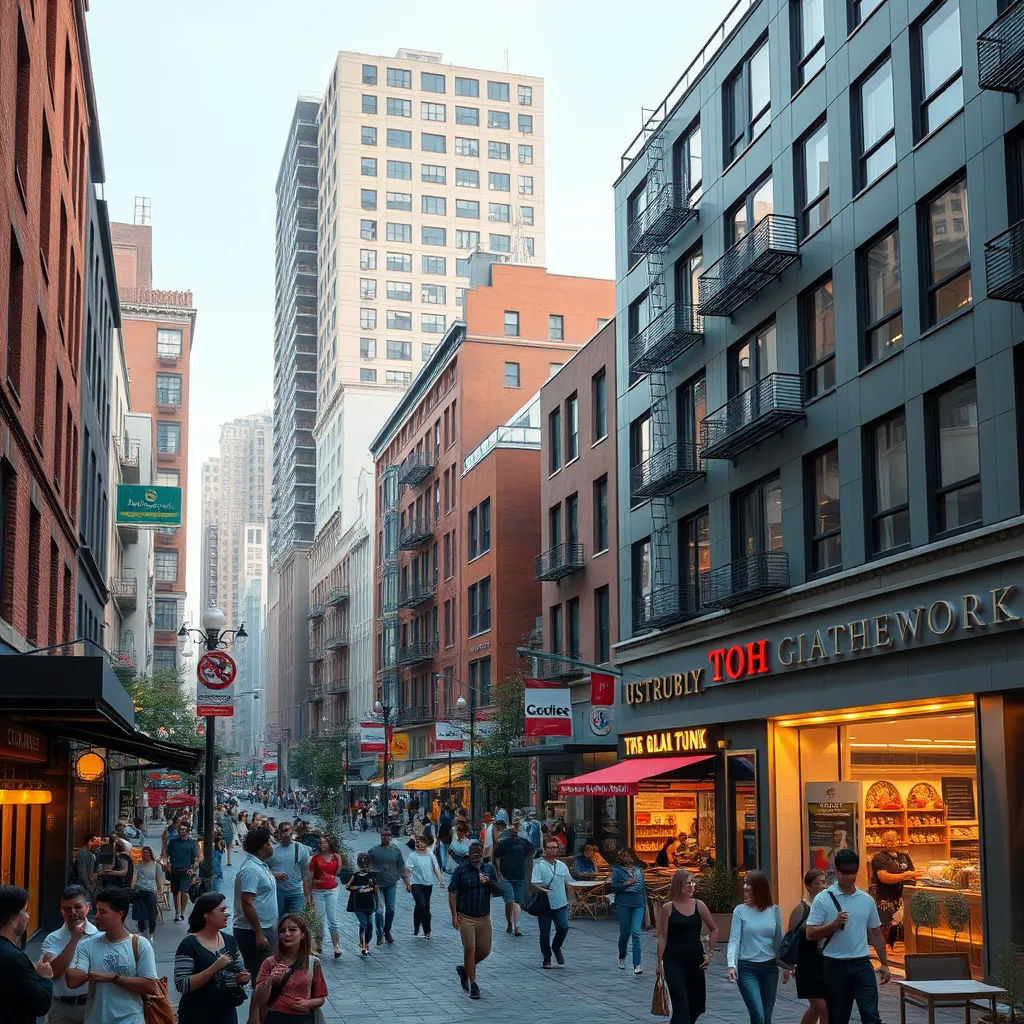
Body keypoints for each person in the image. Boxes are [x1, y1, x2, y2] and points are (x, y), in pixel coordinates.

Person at [805, 848, 890, 1024]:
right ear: (835, 870)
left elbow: (875, 932)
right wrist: (833, 924)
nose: (850, 877)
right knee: (838, 1017)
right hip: (834, 966)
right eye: (845, 873)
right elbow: (811, 933)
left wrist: (885, 963)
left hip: (862, 964)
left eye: (853, 872)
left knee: (870, 1015)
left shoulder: (866, 899)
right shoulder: (823, 899)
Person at [66, 888, 158, 1024]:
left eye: (103, 912)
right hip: (96, 1019)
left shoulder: (140, 944)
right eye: (96, 911)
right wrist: (89, 974)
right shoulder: (87, 945)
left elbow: (150, 985)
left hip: (131, 1019)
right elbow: (73, 982)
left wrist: (113, 978)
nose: (96, 916)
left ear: (119, 914)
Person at [174, 892, 250, 1023]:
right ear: (206, 914)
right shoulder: (190, 945)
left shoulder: (230, 941)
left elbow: (239, 969)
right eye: (222, 910)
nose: (227, 914)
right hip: (196, 1015)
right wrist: (213, 968)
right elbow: (182, 985)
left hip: (226, 1014)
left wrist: (242, 977)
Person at [656, 869, 717, 1024]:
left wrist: (710, 953)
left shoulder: (699, 905)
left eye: (692, 882)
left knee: (696, 1006)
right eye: (687, 883)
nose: (691, 886)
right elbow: (662, 936)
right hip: (673, 961)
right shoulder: (668, 908)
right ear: (678, 885)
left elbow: (714, 928)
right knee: (681, 1003)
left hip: (696, 961)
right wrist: (659, 962)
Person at [727, 870, 784, 1024]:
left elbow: (779, 940)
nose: (745, 887)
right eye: (744, 884)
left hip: (770, 968)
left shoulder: (774, 910)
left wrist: (787, 966)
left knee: (766, 1018)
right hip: (747, 968)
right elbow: (734, 940)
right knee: (758, 1015)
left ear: (759, 888)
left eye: (748, 884)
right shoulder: (740, 911)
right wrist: (732, 965)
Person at [448, 841, 499, 1000]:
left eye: (479, 855)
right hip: (466, 916)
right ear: (469, 856)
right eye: (473, 856)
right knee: (469, 949)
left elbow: (498, 890)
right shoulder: (461, 870)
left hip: (484, 915)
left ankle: (465, 969)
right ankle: (473, 984)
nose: (476, 859)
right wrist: (454, 915)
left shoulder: (488, 868)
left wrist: (490, 882)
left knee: (485, 950)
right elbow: (452, 893)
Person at [254, 915, 328, 1024]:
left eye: (292, 930)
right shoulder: (269, 963)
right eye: (282, 931)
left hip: (303, 1018)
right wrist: (271, 980)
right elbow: (260, 999)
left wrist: (306, 1003)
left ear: (302, 934)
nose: (287, 934)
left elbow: (321, 998)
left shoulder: (313, 962)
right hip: (276, 1017)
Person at [41, 885, 97, 1024]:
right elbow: (53, 971)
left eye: (78, 907)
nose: (73, 912)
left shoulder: (99, 935)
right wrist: (75, 939)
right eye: (67, 909)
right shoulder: (53, 939)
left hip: (92, 1006)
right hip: (62, 1009)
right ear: (62, 911)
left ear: (87, 908)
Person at [0, 884, 53, 1023]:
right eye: (25, 910)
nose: (28, 916)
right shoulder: (14, 958)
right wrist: (44, 977)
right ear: (15, 917)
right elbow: (40, 1005)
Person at [234, 825, 279, 983]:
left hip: (267, 926)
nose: (272, 845)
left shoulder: (261, 865)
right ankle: (260, 1006)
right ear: (262, 847)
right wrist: (259, 933)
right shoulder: (251, 869)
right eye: (270, 842)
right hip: (252, 931)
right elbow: (247, 902)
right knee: (261, 978)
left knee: (267, 974)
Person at [789, 868, 829, 1024]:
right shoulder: (802, 908)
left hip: (825, 960)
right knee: (819, 1005)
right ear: (809, 886)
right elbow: (791, 937)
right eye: (817, 883)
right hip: (807, 962)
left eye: (824, 882)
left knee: (828, 1005)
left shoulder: (827, 906)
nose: (822, 886)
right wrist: (791, 964)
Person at [531, 836, 575, 969]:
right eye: (550, 847)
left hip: (560, 903)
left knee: (563, 927)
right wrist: (544, 890)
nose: (552, 850)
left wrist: (572, 899)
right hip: (544, 903)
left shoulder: (562, 866)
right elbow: (534, 883)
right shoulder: (539, 866)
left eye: (554, 847)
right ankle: (546, 957)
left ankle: (556, 947)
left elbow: (569, 883)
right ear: (545, 849)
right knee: (545, 932)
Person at [870, 830, 919, 946]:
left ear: (898, 840)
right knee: (888, 932)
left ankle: (902, 956)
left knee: (904, 932)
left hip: (904, 899)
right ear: (882, 841)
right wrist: (905, 875)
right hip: (887, 900)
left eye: (893, 840)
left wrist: (913, 876)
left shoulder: (904, 856)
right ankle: (886, 957)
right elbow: (884, 877)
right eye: (888, 840)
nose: (891, 843)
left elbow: (913, 873)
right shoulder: (879, 858)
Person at [367, 828, 410, 945]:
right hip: (377, 885)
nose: (384, 838)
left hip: (391, 884)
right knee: (379, 911)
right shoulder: (373, 851)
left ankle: (387, 931)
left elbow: (401, 866)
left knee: (390, 909)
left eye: (387, 836)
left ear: (390, 838)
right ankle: (380, 934)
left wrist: (406, 883)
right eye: (382, 836)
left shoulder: (395, 850)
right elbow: (367, 864)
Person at [493, 816, 534, 937]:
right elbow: (497, 857)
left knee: (517, 902)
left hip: (520, 876)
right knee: (509, 901)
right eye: (514, 827)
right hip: (506, 876)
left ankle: (516, 926)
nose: (516, 829)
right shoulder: (504, 843)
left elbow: (531, 851)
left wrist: (528, 869)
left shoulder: (524, 843)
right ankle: (509, 922)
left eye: (518, 826)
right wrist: (498, 872)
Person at [610, 847, 648, 975]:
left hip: (638, 903)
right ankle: (622, 955)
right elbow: (614, 886)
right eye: (624, 856)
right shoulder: (617, 871)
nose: (628, 859)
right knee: (625, 933)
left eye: (629, 856)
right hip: (623, 903)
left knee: (636, 933)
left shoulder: (639, 870)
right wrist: (627, 883)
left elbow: (643, 889)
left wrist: (645, 904)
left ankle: (637, 964)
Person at [309, 835, 344, 959]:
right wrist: (310, 889)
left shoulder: (336, 857)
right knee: (319, 919)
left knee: (332, 918)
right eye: (321, 843)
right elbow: (310, 876)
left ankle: (337, 946)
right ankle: (318, 945)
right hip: (318, 891)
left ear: (330, 843)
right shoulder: (314, 858)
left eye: (324, 842)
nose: (322, 845)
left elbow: (337, 872)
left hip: (332, 890)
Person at [270, 821, 312, 917]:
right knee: (278, 918)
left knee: (297, 920)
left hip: (296, 891)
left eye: (288, 830)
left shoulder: (300, 848)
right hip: (278, 891)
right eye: (283, 831)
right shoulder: (273, 850)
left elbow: (306, 873)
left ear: (292, 831)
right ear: (279, 833)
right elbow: (263, 869)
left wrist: (307, 895)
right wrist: (273, 875)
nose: (286, 833)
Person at [407, 834, 445, 938]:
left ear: (426, 843)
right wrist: (407, 884)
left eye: (421, 841)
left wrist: (440, 881)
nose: (419, 843)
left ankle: (427, 931)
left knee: (426, 907)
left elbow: (435, 868)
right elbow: (408, 871)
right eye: (417, 841)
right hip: (416, 883)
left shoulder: (430, 855)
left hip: (428, 884)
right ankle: (416, 924)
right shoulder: (412, 856)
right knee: (421, 904)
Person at [166, 820, 201, 922]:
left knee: (184, 891)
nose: (181, 831)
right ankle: (177, 913)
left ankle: (182, 911)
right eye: (180, 829)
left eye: (183, 829)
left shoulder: (192, 843)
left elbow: (197, 858)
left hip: (186, 871)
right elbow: (166, 854)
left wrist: (193, 868)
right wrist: (167, 864)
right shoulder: (173, 842)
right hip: (174, 870)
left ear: (188, 830)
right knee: (176, 892)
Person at [346, 853, 379, 957]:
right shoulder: (356, 875)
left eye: (365, 864)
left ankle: (367, 942)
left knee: (370, 925)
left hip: (369, 904)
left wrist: (378, 903)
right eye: (361, 863)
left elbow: (376, 889)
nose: (363, 866)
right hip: (358, 904)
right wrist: (356, 888)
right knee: (363, 923)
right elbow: (348, 886)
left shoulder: (372, 876)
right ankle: (362, 944)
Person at [131, 847, 164, 940]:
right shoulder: (138, 865)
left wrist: (159, 889)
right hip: (139, 889)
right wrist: (132, 888)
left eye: (146, 852)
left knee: (151, 913)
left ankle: (151, 931)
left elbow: (158, 878)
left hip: (151, 891)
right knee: (140, 913)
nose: (145, 854)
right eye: (143, 852)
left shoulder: (156, 865)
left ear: (150, 853)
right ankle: (142, 931)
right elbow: (134, 876)